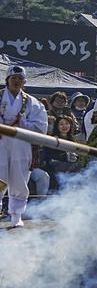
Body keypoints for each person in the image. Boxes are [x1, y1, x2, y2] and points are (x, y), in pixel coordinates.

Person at [0, 65, 49, 227]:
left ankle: (16, 214)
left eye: (20, 79)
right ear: (7, 80)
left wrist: (24, 123)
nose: (16, 81)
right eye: (13, 78)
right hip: (0, 142)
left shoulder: (32, 102)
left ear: (24, 82)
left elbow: (41, 126)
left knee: (19, 178)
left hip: (21, 144)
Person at [45, 115, 80, 191]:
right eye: (61, 124)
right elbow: (48, 155)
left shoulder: (73, 139)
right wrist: (65, 156)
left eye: (67, 123)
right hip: (55, 167)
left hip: (70, 167)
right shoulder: (52, 139)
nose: (64, 126)